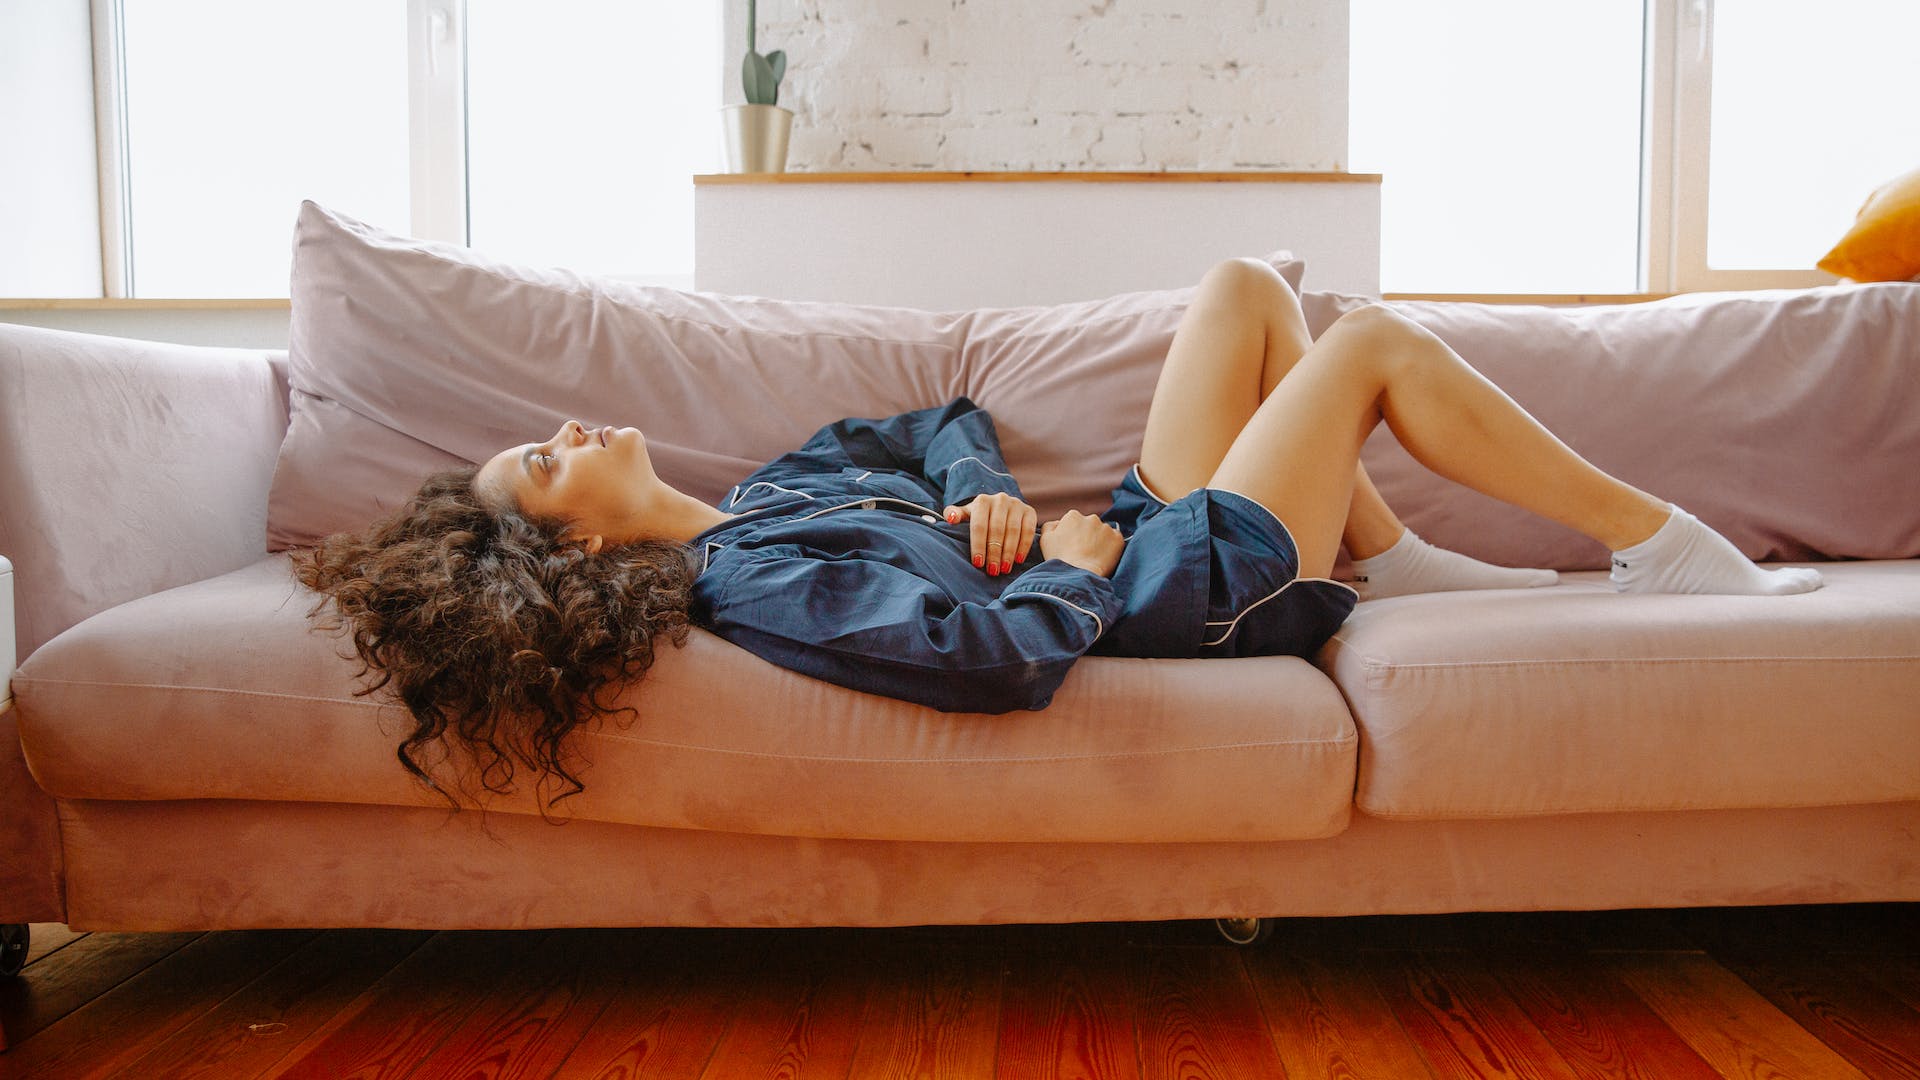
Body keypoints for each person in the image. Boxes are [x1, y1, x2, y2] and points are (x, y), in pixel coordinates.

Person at [295, 259, 1820, 808]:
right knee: (1372, 351)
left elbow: (934, 413)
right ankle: (1666, 544)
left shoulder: (769, 492)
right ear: (571, 551)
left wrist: (975, 489)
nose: (568, 434)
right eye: (543, 466)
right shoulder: (744, 580)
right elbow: (968, 664)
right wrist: (1074, 587)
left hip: (1144, 530)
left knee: (1243, 291)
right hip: (1168, 591)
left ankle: (1402, 565)